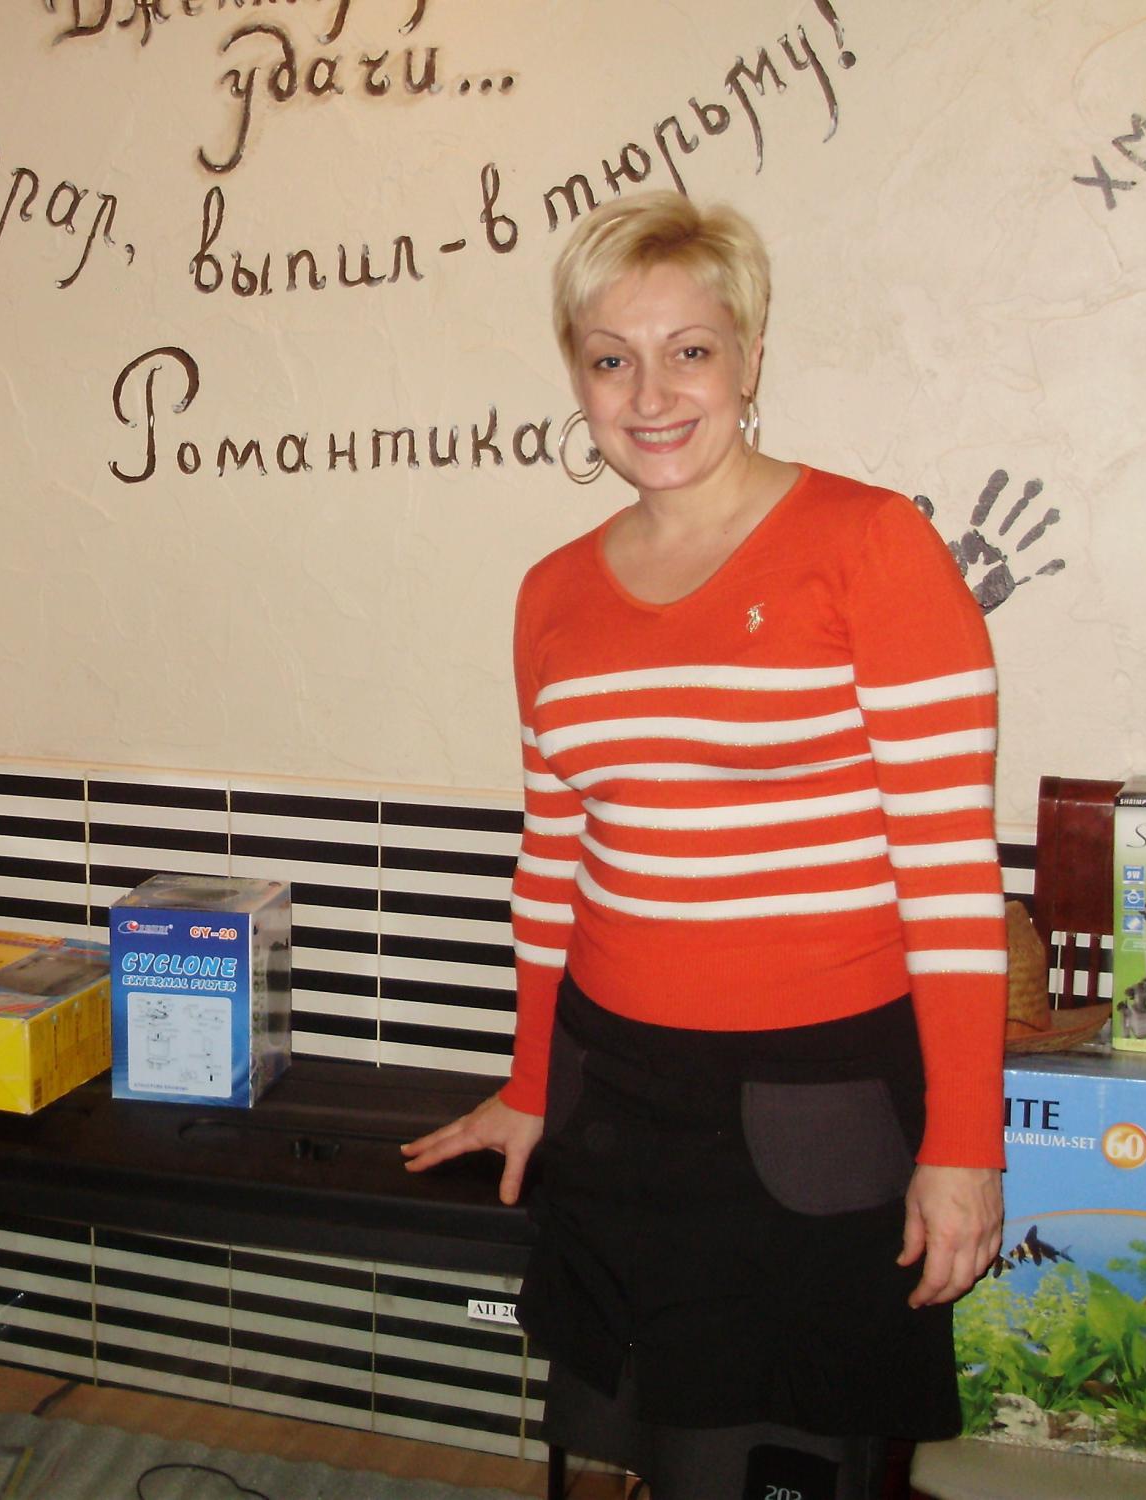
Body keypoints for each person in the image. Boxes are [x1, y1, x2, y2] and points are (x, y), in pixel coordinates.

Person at [402, 192, 1006, 1500]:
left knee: (782, 1462)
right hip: (616, 1102)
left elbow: (953, 882)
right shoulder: (553, 594)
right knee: (631, 1458)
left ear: (749, 357)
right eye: (610, 358)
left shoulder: (870, 546)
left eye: (689, 350)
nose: (651, 393)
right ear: (577, 378)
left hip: (815, 1107)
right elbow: (552, 865)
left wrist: (966, 1146)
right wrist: (531, 1084)